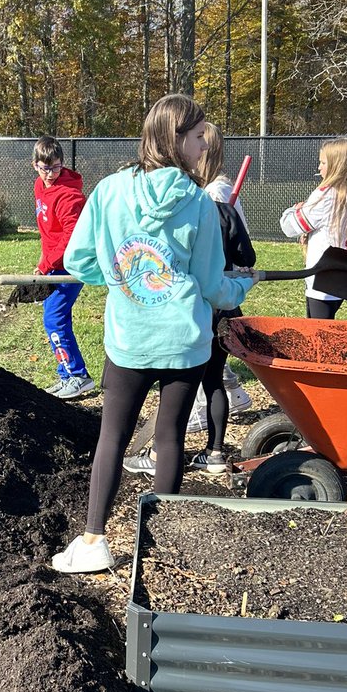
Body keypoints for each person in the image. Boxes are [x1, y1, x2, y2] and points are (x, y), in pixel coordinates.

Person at [50, 95, 257, 574]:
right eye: (199, 135)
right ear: (175, 139)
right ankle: (155, 545)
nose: (206, 143)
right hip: (185, 342)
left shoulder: (109, 191)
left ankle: (92, 541)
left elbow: (80, 260)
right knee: (169, 437)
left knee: (113, 436)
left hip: (129, 339)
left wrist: (117, 276)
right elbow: (212, 287)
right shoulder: (200, 205)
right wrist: (241, 282)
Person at [123, 122, 256, 478]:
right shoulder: (220, 200)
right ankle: (213, 452)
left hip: (199, 305)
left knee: (183, 387)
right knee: (212, 380)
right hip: (222, 303)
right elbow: (247, 256)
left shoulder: (205, 202)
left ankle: (167, 457)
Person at [31, 135, 94, 399]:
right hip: (54, 265)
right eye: (45, 168)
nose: (50, 174)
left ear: (62, 163)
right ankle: (67, 374)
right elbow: (50, 234)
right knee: (55, 317)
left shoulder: (69, 196)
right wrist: (44, 263)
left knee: (54, 319)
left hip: (71, 266)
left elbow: (71, 238)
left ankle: (78, 375)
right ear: (35, 165)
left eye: (55, 167)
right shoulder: (39, 186)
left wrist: (46, 265)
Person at [281, 136, 347, 319]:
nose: (319, 167)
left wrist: (293, 210)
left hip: (321, 280)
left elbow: (290, 227)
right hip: (343, 276)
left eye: (323, 162)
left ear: (336, 165)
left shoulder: (326, 195)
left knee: (318, 338)